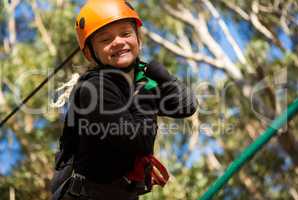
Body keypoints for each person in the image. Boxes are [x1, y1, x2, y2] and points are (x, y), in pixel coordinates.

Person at [51, 0, 197, 200]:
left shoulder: (141, 81)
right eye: (105, 39)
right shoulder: (94, 88)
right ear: (89, 53)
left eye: (126, 33)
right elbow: (138, 141)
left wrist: (165, 78)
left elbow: (185, 107)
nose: (118, 41)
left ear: (138, 38)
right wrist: (146, 92)